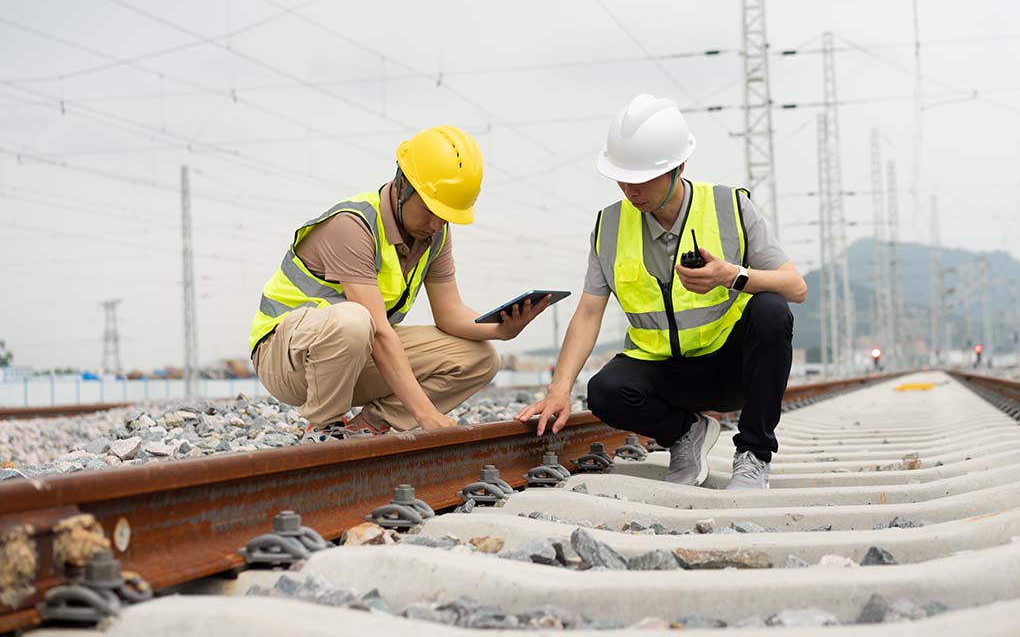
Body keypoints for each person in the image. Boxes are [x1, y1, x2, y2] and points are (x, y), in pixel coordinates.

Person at [517, 95, 806, 489]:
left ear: (679, 167)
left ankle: (753, 456)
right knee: (603, 391)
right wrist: (558, 389)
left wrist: (731, 275)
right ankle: (687, 434)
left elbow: (795, 286)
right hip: (666, 376)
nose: (631, 189)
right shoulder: (610, 226)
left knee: (772, 310)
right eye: (623, 177)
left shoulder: (730, 207)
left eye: (642, 178)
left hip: (729, 369)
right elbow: (588, 313)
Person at [250, 125, 549, 442]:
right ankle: (323, 426)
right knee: (355, 321)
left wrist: (500, 330)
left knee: (480, 358)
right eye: (432, 211)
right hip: (286, 361)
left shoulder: (434, 235)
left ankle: (370, 424)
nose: (437, 224)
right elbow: (378, 331)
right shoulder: (352, 226)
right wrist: (426, 415)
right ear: (403, 184)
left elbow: (450, 313)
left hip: (353, 355)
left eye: (446, 215)